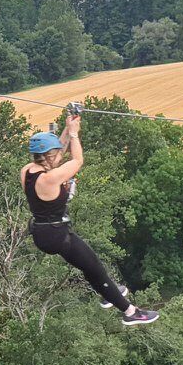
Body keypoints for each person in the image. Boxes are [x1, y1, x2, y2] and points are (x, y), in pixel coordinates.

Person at [23, 108, 158, 325]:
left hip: (44, 232)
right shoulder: (50, 178)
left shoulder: (28, 170)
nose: (58, 155)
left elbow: (55, 158)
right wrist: (75, 134)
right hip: (56, 235)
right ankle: (130, 312)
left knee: (91, 267)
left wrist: (67, 129)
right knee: (94, 267)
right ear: (48, 155)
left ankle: (108, 294)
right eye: (54, 152)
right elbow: (77, 161)